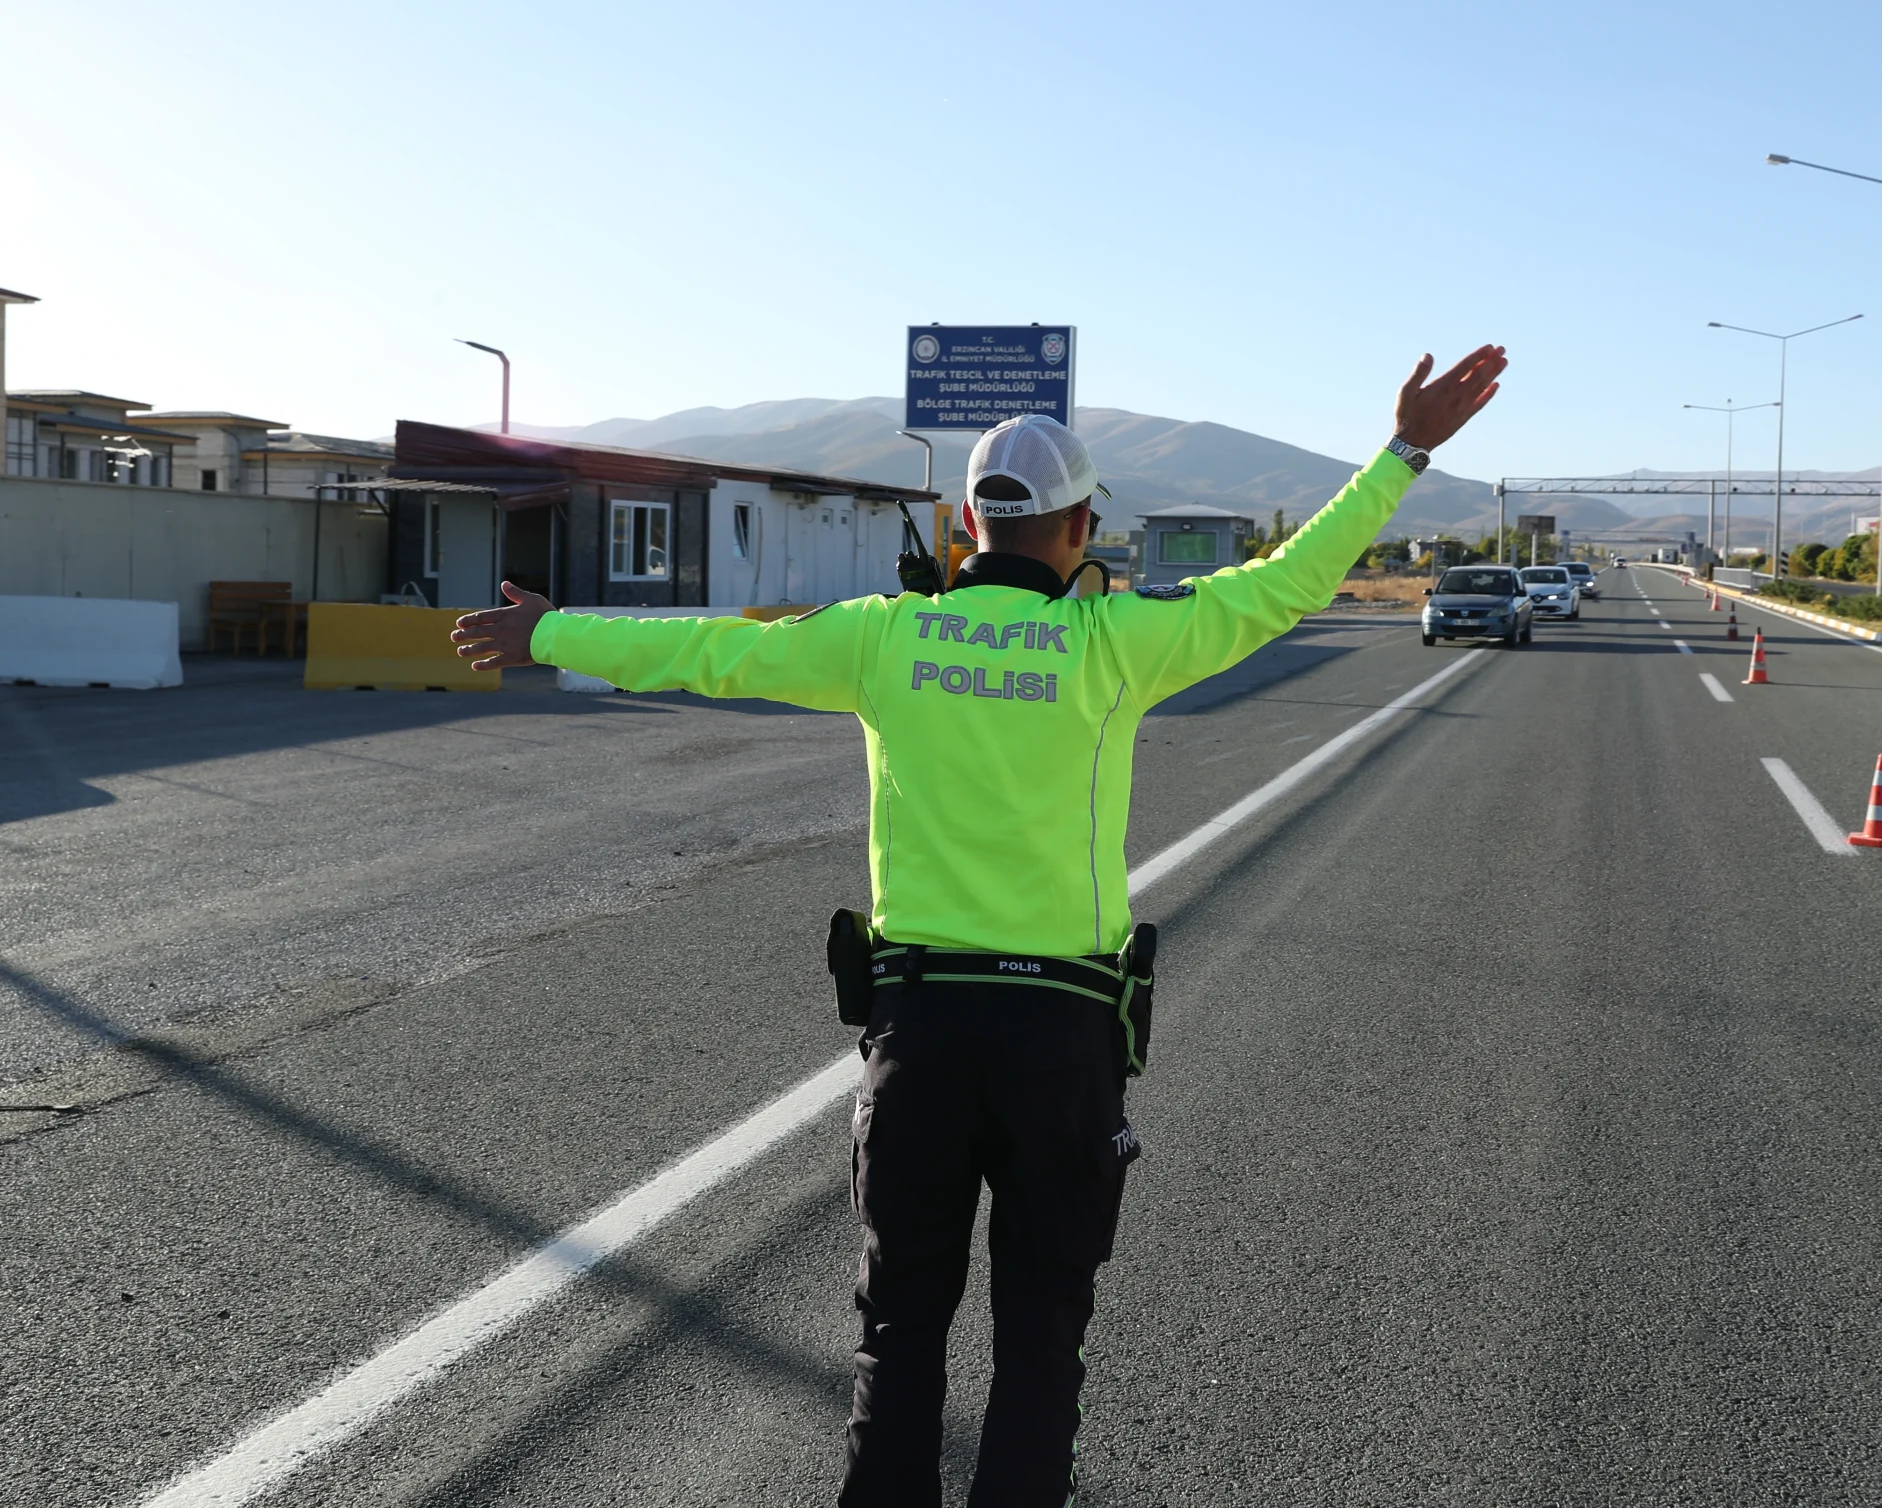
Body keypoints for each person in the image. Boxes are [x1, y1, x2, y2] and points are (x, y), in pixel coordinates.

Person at [449, 344, 1506, 1506]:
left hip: (921, 1042)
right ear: (1081, 526)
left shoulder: (882, 637)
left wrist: (550, 633)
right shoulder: (1116, 642)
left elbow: (713, 649)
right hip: (1062, 1047)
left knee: (897, 1333)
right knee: (1041, 1342)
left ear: (966, 524)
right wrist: (1402, 452)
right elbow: (1284, 585)